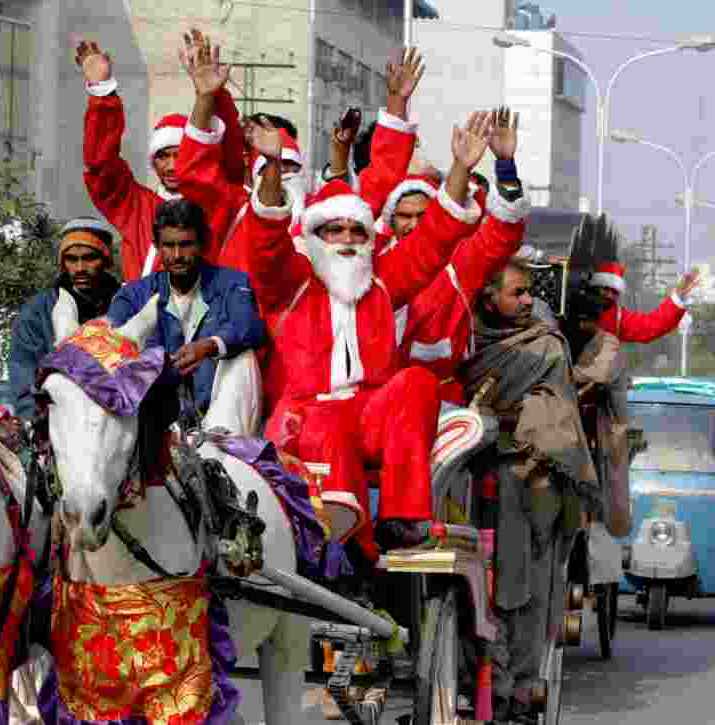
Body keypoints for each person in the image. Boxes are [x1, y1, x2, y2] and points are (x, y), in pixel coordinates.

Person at [244, 112, 491, 562]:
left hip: (370, 415)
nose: (346, 240)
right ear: (315, 236)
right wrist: (272, 167)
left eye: (357, 230)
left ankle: (401, 517)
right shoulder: (292, 281)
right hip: (306, 419)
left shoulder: (380, 281)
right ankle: (347, 546)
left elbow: (434, 239)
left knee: (416, 381)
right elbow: (264, 241)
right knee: (327, 423)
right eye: (334, 230)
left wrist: (459, 170)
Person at [458, 259, 600, 723]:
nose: (525, 302)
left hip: (528, 485)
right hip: (464, 477)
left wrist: (503, 419)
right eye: (515, 293)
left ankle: (516, 689)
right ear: (487, 297)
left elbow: (557, 418)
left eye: (527, 294)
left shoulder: (547, 346)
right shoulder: (464, 339)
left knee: (523, 590)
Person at [176, 33, 425, 272]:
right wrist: (206, 98)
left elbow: (380, 180)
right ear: (252, 176)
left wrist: (396, 103)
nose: (281, 174)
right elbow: (194, 176)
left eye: (289, 166)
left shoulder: (325, 216)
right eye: (271, 166)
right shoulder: (232, 211)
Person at [384, 107, 541, 407]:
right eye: (404, 216)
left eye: (422, 215)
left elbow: (502, 234)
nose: (413, 225)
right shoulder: (372, 265)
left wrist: (505, 165)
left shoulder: (458, 266)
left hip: (441, 405)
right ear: (390, 220)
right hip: (376, 404)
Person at [77, 39, 245, 282]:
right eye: (162, 156)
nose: (172, 166)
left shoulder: (211, 202)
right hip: (141, 316)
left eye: (180, 155)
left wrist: (211, 95)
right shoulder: (138, 206)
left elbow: (229, 155)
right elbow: (100, 165)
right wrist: (101, 91)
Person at [106, 198, 267, 436]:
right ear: (157, 246)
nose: (177, 255)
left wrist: (210, 346)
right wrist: (159, 362)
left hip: (220, 410)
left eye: (185, 245)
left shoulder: (232, 283)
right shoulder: (133, 294)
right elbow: (112, 340)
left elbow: (251, 327)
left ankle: (225, 454)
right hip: (155, 410)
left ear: (202, 244)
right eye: (168, 246)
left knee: (243, 356)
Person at [9, 218, 121, 419]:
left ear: (106, 260)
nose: (79, 268)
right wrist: (36, 422)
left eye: (89, 258)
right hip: (55, 426)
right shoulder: (37, 312)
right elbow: (23, 372)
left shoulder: (125, 306)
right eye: (71, 259)